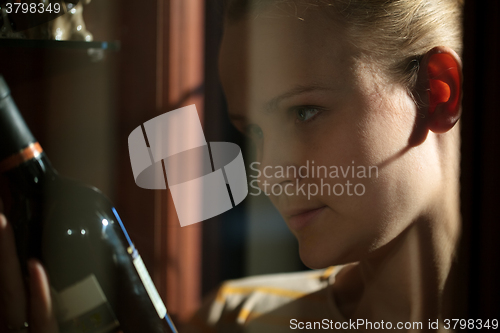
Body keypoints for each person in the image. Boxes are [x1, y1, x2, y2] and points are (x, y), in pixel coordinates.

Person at [0, 0, 464, 332]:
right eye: (253, 132)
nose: (270, 172)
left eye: (304, 112)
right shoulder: (235, 320)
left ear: (437, 92)